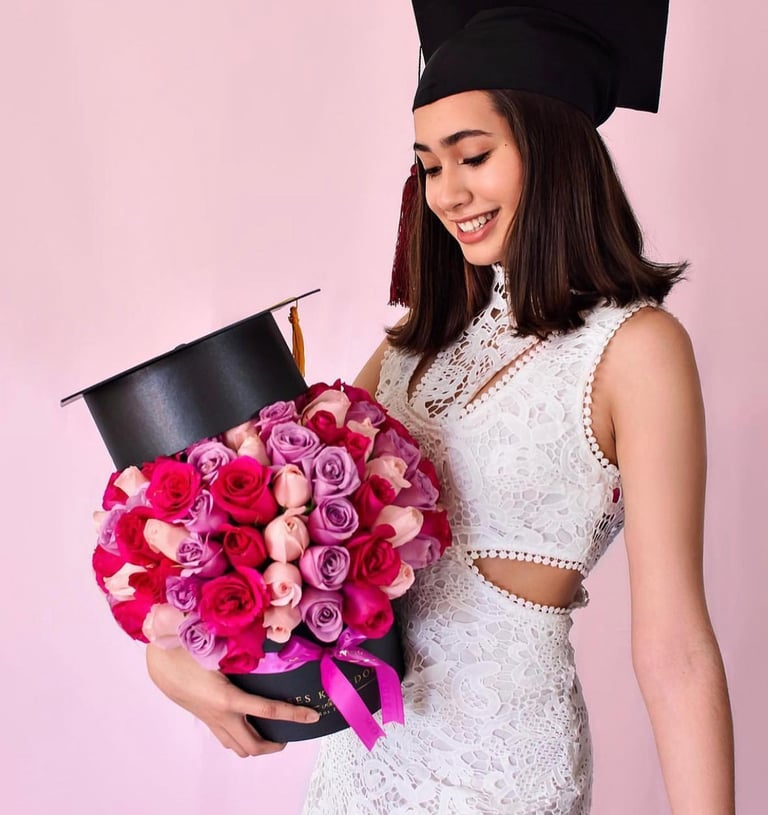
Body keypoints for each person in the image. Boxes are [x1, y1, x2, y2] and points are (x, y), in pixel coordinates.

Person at [147, 2, 735, 812]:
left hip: (501, 780)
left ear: (553, 149)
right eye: (427, 166)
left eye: (473, 156)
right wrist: (170, 649)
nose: (447, 192)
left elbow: (675, 649)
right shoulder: (411, 349)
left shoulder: (636, 348)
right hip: (360, 773)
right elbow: (268, 523)